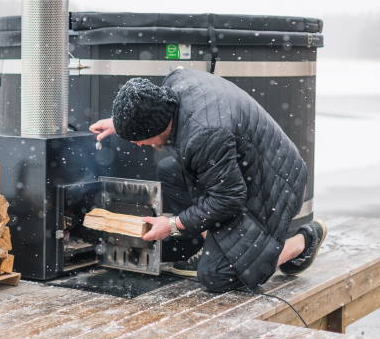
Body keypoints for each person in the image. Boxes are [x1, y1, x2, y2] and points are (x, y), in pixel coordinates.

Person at [89, 70, 327, 293]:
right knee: (170, 170)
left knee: (217, 276)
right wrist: (119, 123)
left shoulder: (205, 134)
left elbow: (229, 198)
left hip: (276, 185)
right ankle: (218, 245)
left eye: (138, 139)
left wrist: (172, 224)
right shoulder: (176, 82)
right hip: (247, 168)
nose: (138, 145)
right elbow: (150, 109)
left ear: (157, 126)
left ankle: (303, 241)